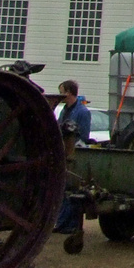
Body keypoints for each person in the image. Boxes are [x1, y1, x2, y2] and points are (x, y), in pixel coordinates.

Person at [53, 80, 91, 236]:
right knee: (63, 189)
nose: (61, 95)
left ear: (69, 92)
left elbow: (84, 136)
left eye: (62, 92)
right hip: (63, 152)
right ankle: (62, 222)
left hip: (74, 154)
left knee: (72, 189)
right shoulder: (64, 111)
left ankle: (69, 224)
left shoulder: (82, 112)